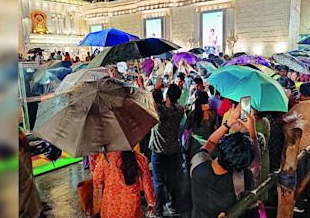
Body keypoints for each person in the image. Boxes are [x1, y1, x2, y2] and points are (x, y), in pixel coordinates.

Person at [190, 105, 260, 218]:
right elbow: (256, 162)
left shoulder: (198, 167)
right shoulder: (242, 178)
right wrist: (252, 129)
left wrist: (229, 122)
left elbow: (211, 143)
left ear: (221, 146)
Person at [149, 82, 185, 217]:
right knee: (171, 180)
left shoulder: (160, 111)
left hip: (158, 152)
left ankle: (158, 212)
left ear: (167, 96)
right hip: (173, 151)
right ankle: (173, 206)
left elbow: (150, 101)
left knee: (158, 182)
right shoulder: (180, 110)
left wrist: (156, 88)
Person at [93, 151, 155, 218]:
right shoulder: (140, 159)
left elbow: (97, 180)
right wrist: (151, 202)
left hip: (109, 206)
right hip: (132, 207)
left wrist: (97, 205)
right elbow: (147, 184)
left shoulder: (106, 158)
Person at [184, 91, 218, 159]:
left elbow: (187, 127)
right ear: (207, 100)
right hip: (209, 145)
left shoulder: (192, 113)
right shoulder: (213, 113)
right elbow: (216, 128)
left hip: (195, 146)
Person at [282, 82, 310, 153]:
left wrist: (290, 104)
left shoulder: (299, 107)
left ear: (301, 94)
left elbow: (283, 120)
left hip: (300, 147)